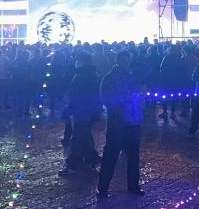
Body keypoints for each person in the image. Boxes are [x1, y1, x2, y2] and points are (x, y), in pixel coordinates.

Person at [97, 50, 144, 197]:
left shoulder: (132, 76)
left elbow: (139, 94)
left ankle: (133, 185)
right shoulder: (109, 78)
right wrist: (126, 98)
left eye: (129, 61)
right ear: (118, 61)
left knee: (133, 156)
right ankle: (102, 188)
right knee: (111, 156)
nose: (127, 63)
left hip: (133, 122)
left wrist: (140, 96)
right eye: (125, 61)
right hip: (117, 123)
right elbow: (106, 99)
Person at [59, 51, 101, 175]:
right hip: (86, 110)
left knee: (78, 137)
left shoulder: (83, 76)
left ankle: (74, 164)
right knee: (85, 135)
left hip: (82, 111)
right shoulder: (89, 75)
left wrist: (70, 108)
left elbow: (78, 96)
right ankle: (90, 158)